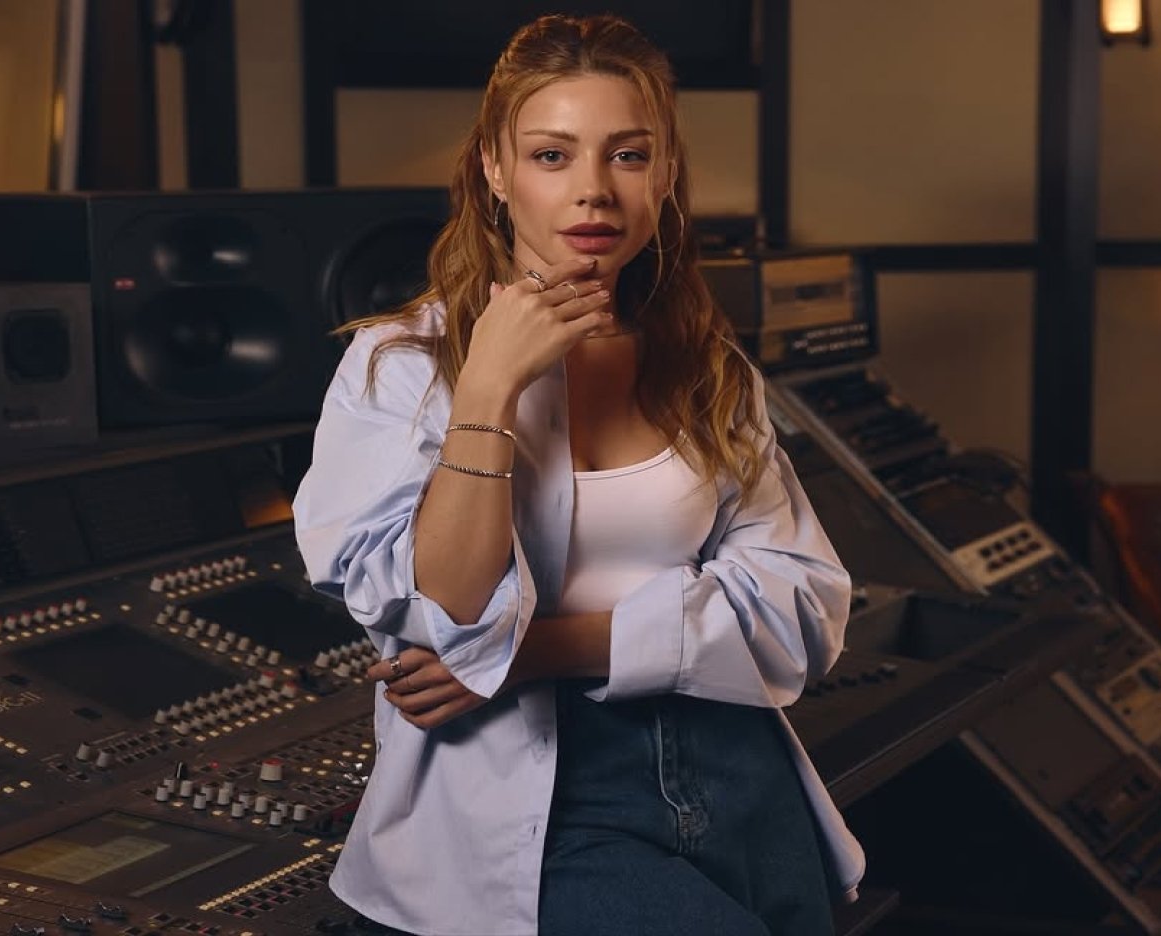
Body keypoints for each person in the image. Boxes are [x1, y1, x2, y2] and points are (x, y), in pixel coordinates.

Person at [293, 13, 863, 935]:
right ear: (495, 169)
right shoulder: (398, 367)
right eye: (552, 156)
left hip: (736, 765)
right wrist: (489, 386)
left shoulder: (709, 370)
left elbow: (800, 609)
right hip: (537, 802)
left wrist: (540, 650)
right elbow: (442, 614)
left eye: (628, 155)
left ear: (664, 174)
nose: (594, 190)